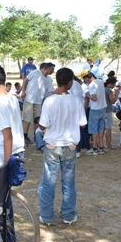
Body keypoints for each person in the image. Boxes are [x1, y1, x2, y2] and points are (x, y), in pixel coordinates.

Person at [38, 67, 87, 226]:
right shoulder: (76, 100)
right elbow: (83, 123)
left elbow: (43, 124)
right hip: (70, 146)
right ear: (70, 82)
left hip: (52, 145)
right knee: (68, 182)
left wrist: (46, 131)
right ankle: (68, 215)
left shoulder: (49, 100)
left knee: (48, 182)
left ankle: (46, 216)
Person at [21, 62, 56, 144]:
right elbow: (25, 79)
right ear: (48, 68)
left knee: (37, 120)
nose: (53, 71)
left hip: (39, 101)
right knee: (28, 119)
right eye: (52, 69)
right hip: (29, 99)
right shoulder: (36, 72)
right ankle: (25, 136)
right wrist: (23, 91)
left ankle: (36, 136)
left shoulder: (48, 79)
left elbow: (52, 91)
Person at [82, 71, 106, 155]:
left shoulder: (92, 85)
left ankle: (94, 148)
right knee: (100, 128)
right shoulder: (100, 81)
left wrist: (87, 95)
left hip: (95, 109)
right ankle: (101, 147)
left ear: (86, 78)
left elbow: (94, 98)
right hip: (103, 107)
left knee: (94, 129)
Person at [104, 77, 119, 149]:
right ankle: (108, 144)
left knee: (102, 128)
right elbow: (112, 101)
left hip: (103, 110)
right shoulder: (109, 91)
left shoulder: (103, 89)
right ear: (111, 84)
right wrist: (116, 94)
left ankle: (99, 143)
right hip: (108, 110)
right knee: (108, 128)